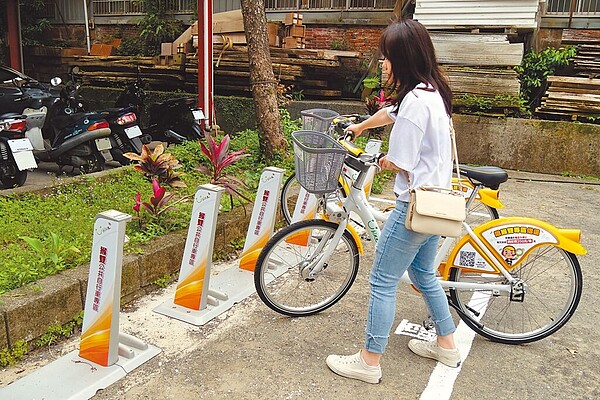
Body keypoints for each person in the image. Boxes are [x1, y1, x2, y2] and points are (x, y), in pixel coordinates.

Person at [325, 18, 461, 384]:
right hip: (435, 204)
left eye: (386, 57)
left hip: (413, 208)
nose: (382, 64)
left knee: (383, 280)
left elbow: (400, 160)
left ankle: (369, 361)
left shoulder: (416, 102)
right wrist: (361, 126)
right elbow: (390, 113)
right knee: (423, 274)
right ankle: (447, 344)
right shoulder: (430, 91)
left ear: (402, 59)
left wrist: (384, 160)